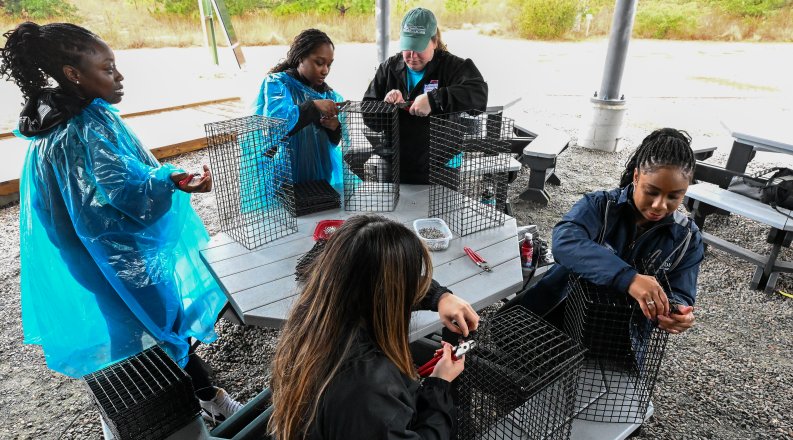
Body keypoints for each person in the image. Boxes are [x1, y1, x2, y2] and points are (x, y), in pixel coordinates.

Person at [1, 22, 241, 421]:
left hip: (86, 259)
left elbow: (89, 195)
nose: (120, 76)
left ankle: (165, 407)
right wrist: (174, 181)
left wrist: (168, 179)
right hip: (118, 257)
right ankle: (177, 412)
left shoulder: (48, 125)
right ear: (74, 74)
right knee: (160, 326)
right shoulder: (88, 124)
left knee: (129, 331)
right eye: (108, 68)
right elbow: (127, 195)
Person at [269, 215, 479, 439]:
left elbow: (386, 284)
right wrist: (439, 385)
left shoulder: (316, 313)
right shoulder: (368, 388)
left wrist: (440, 297)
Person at [509, 128, 703, 335]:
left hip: (619, 337)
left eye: (674, 197)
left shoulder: (687, 238)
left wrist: (678, 312)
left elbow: (681, 291)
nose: (659, 205)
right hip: (555, 314)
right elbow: (564, 241)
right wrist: (629, 279)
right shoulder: (600, 206)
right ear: (636, 177)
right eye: (651, 192)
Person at [363, 7, 489, 184]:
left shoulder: (453, 67)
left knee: (441, 212)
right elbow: (369, 116)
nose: (412, 56)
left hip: (442, 165)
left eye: (418, 48)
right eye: (407, 48)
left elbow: (479, 95)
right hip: (395, 164)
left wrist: (434, 99)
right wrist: (386, 106)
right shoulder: (389, 68)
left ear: (434, 42)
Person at [254, 28, 344, 191]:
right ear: (300, 57)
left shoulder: (328, 94)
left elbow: (334, 142)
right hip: (287, 176)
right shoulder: (277, 83)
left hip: (322, 175)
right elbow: (277, 126)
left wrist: (334, 127)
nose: (325, 70)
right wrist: (314, 106)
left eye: (329, 64)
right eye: (319, 62)